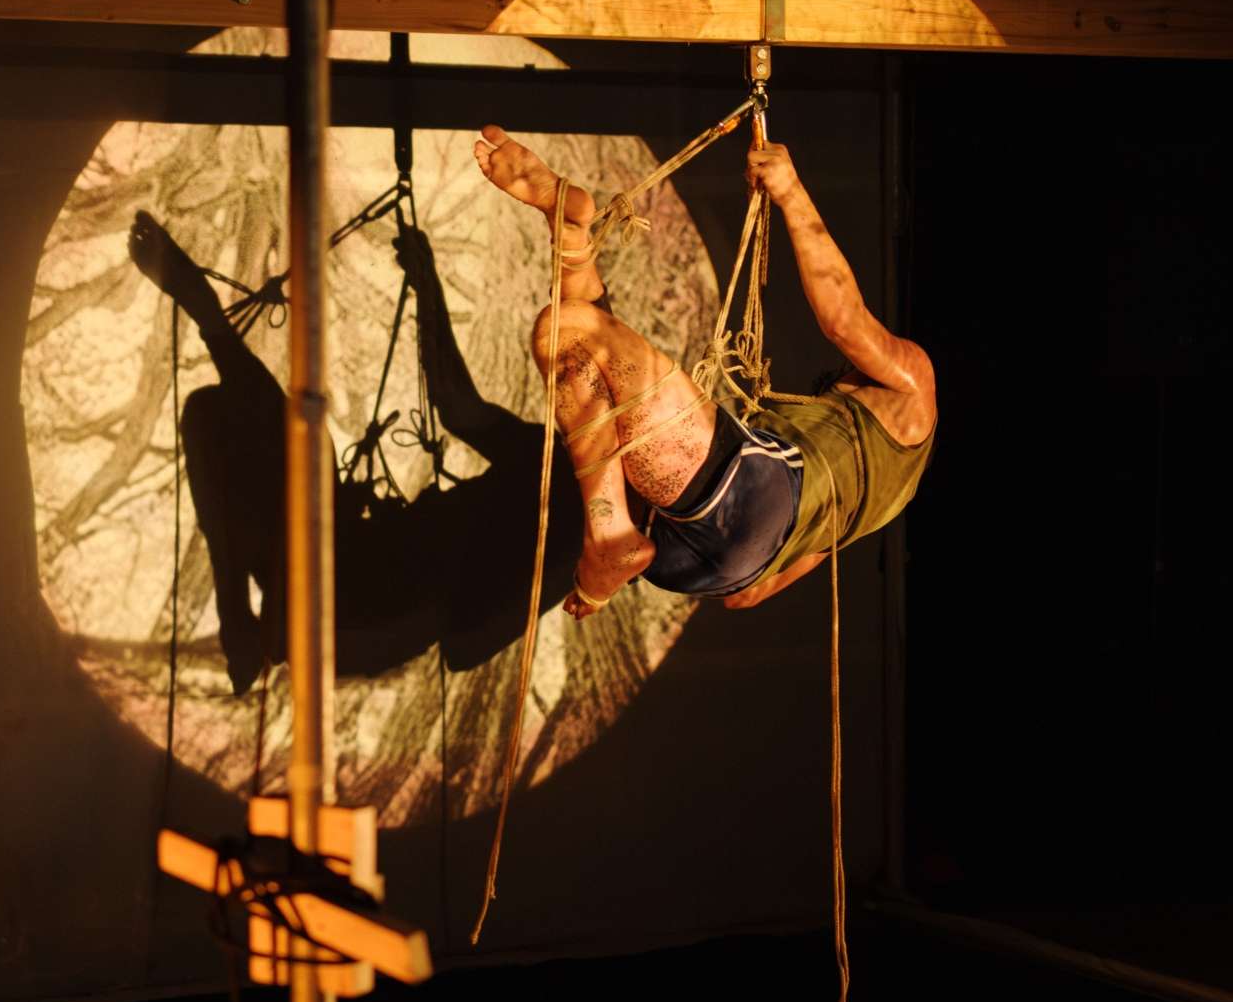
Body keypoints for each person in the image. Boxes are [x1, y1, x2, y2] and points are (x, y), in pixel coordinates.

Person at [472, 126, 937, 615]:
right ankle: (566, 227)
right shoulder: (878, 504)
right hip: (702, 565)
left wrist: (792, 194)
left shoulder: (916, 390)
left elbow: (844, 322)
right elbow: (745, 596)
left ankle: (608, 535)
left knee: (568, 329)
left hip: (750, 498)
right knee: (585, 351)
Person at [128, 210, 582, 692]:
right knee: (294, 438)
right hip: (361, 573)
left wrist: (436, 553)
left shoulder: (573, 539)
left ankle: (238, 618)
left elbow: (464, 644)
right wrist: (427, 285)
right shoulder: (552, 459)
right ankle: (207, 315)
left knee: (220, 419)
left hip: (366, 616)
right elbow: (456, 404)